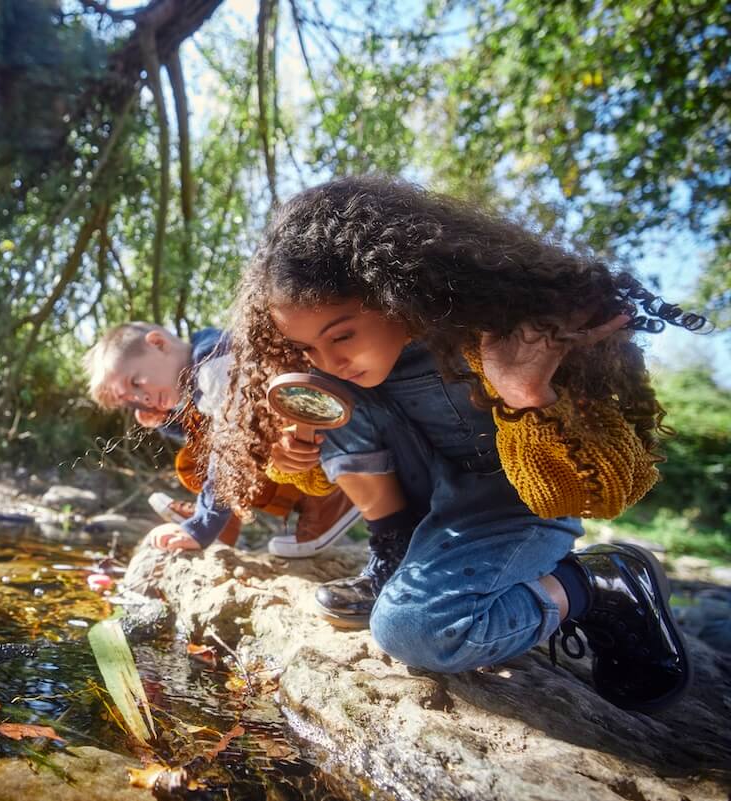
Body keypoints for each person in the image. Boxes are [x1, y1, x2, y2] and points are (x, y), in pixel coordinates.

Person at [209, 175, 705, 712]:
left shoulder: (506, 333)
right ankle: (395, 554)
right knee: (325, 391)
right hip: (432, 504)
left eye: (342, 334)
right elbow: (318, 472)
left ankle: (595, 583)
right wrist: (294, 455)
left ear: (392, 289)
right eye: (308, 345)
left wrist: (526, 396)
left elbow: (601, 491)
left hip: (514, 508)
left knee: (416, 632)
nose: (328, 358)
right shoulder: (334, 373)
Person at [83, 322, 359, 554]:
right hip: (303, 447)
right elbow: (207, 431)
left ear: (158, 343)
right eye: (129, 401)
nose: (140, 399)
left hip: (330, 444)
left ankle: (334, 501)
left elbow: (229, 453)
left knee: (222, 455)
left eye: (135, 382)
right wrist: (165, 419)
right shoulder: (201, 362)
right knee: (196, 458)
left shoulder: (213, 366)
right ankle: (223, 524)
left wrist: (203, 526)